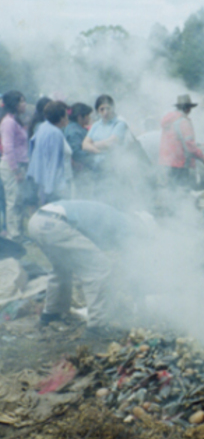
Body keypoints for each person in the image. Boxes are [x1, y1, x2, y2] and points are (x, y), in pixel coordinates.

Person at [28, 199, 150, 339]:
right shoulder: (126, 224)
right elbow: (130, 265)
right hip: (57, 224)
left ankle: (51, 313)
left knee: (61, 267)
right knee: (99, 268)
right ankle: (97, 326)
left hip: (37, 221)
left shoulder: (115, 217)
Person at [158, 94, 204, 190]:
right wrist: (203, 158)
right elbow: (189, 145)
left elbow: (175, 140)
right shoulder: (183, 121)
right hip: (180, 163)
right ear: (187, 108)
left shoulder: (169, 120)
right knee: (183, 192)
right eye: (190, 108)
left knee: (171, 191)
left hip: (166, 163)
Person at [27, 101, 72, 205]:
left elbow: (32, 147)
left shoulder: (43, 126)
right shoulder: (55, 133)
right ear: (61, 118)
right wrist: (54, 189)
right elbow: (54, 163)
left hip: (42, 180)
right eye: (66, 114)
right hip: (55, 185)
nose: (68, 117)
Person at [0, 90, 29, 240]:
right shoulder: (8, 122)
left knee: (18, 200)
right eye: (21, 101)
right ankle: (14, 234)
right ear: (14, 104)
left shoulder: (15, 119)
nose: (24, 104)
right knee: (13, 200)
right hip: (12, 166)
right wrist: (16, 170)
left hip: (19, 165)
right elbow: (8, 148)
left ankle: (18, 231)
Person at [64, 102, 96, 196]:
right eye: (87, 116)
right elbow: (76, 153)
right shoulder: (74, 131)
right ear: (79, 117)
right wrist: (93, 157)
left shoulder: (77, 128)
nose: (89, 119)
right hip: (81, 171)